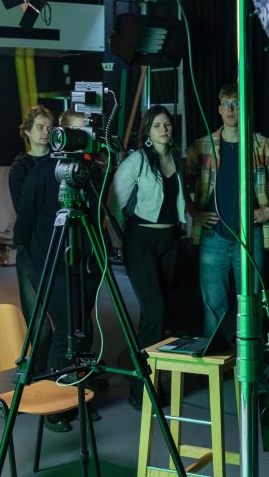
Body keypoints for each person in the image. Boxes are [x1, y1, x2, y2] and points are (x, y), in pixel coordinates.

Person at [14, 108, 104, 432]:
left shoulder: (92, 172)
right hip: (52, 264)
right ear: (62, 134)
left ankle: (77, 397)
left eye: (86, 132)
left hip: (87, 265)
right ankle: (54, 406)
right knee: (66, 329)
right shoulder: (42, 173)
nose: (82, 138)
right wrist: (38, 262)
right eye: (76, 132)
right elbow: (24, 224)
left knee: (81, 332)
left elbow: (99, 215)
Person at [184, 83, 269, 340]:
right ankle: (215, 359)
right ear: (219, 109)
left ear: (243, 108)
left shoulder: (262, 145)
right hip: (213, 237)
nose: (230, 109)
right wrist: (193, 211)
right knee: (213, 307)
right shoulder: (202, 146)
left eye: (235, 104)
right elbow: (176, 181)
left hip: (250, 238)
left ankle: (253, 360)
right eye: (226, 104)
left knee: (252, 305)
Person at [110, 105, 186, 409]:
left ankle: (146, 381)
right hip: (141, 241)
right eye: (157, 125)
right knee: (155, 312)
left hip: (170, 240)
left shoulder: (177, 159)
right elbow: (114, 202)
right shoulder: (137, 161)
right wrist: (118, 242)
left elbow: (180, 201)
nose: (163, 129)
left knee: (155, 315)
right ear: (147, 131)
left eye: (167, 124)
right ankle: (142, 389)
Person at [9, 105, 55, 373]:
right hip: (30, 249)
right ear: (27, 131)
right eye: (40, 127)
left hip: (57, 247)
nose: (45, 132)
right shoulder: (20, 168)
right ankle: (38, 376)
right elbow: (24, 209)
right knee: (39, 322)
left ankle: (56, 373)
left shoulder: (59, 162)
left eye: (49, 127)